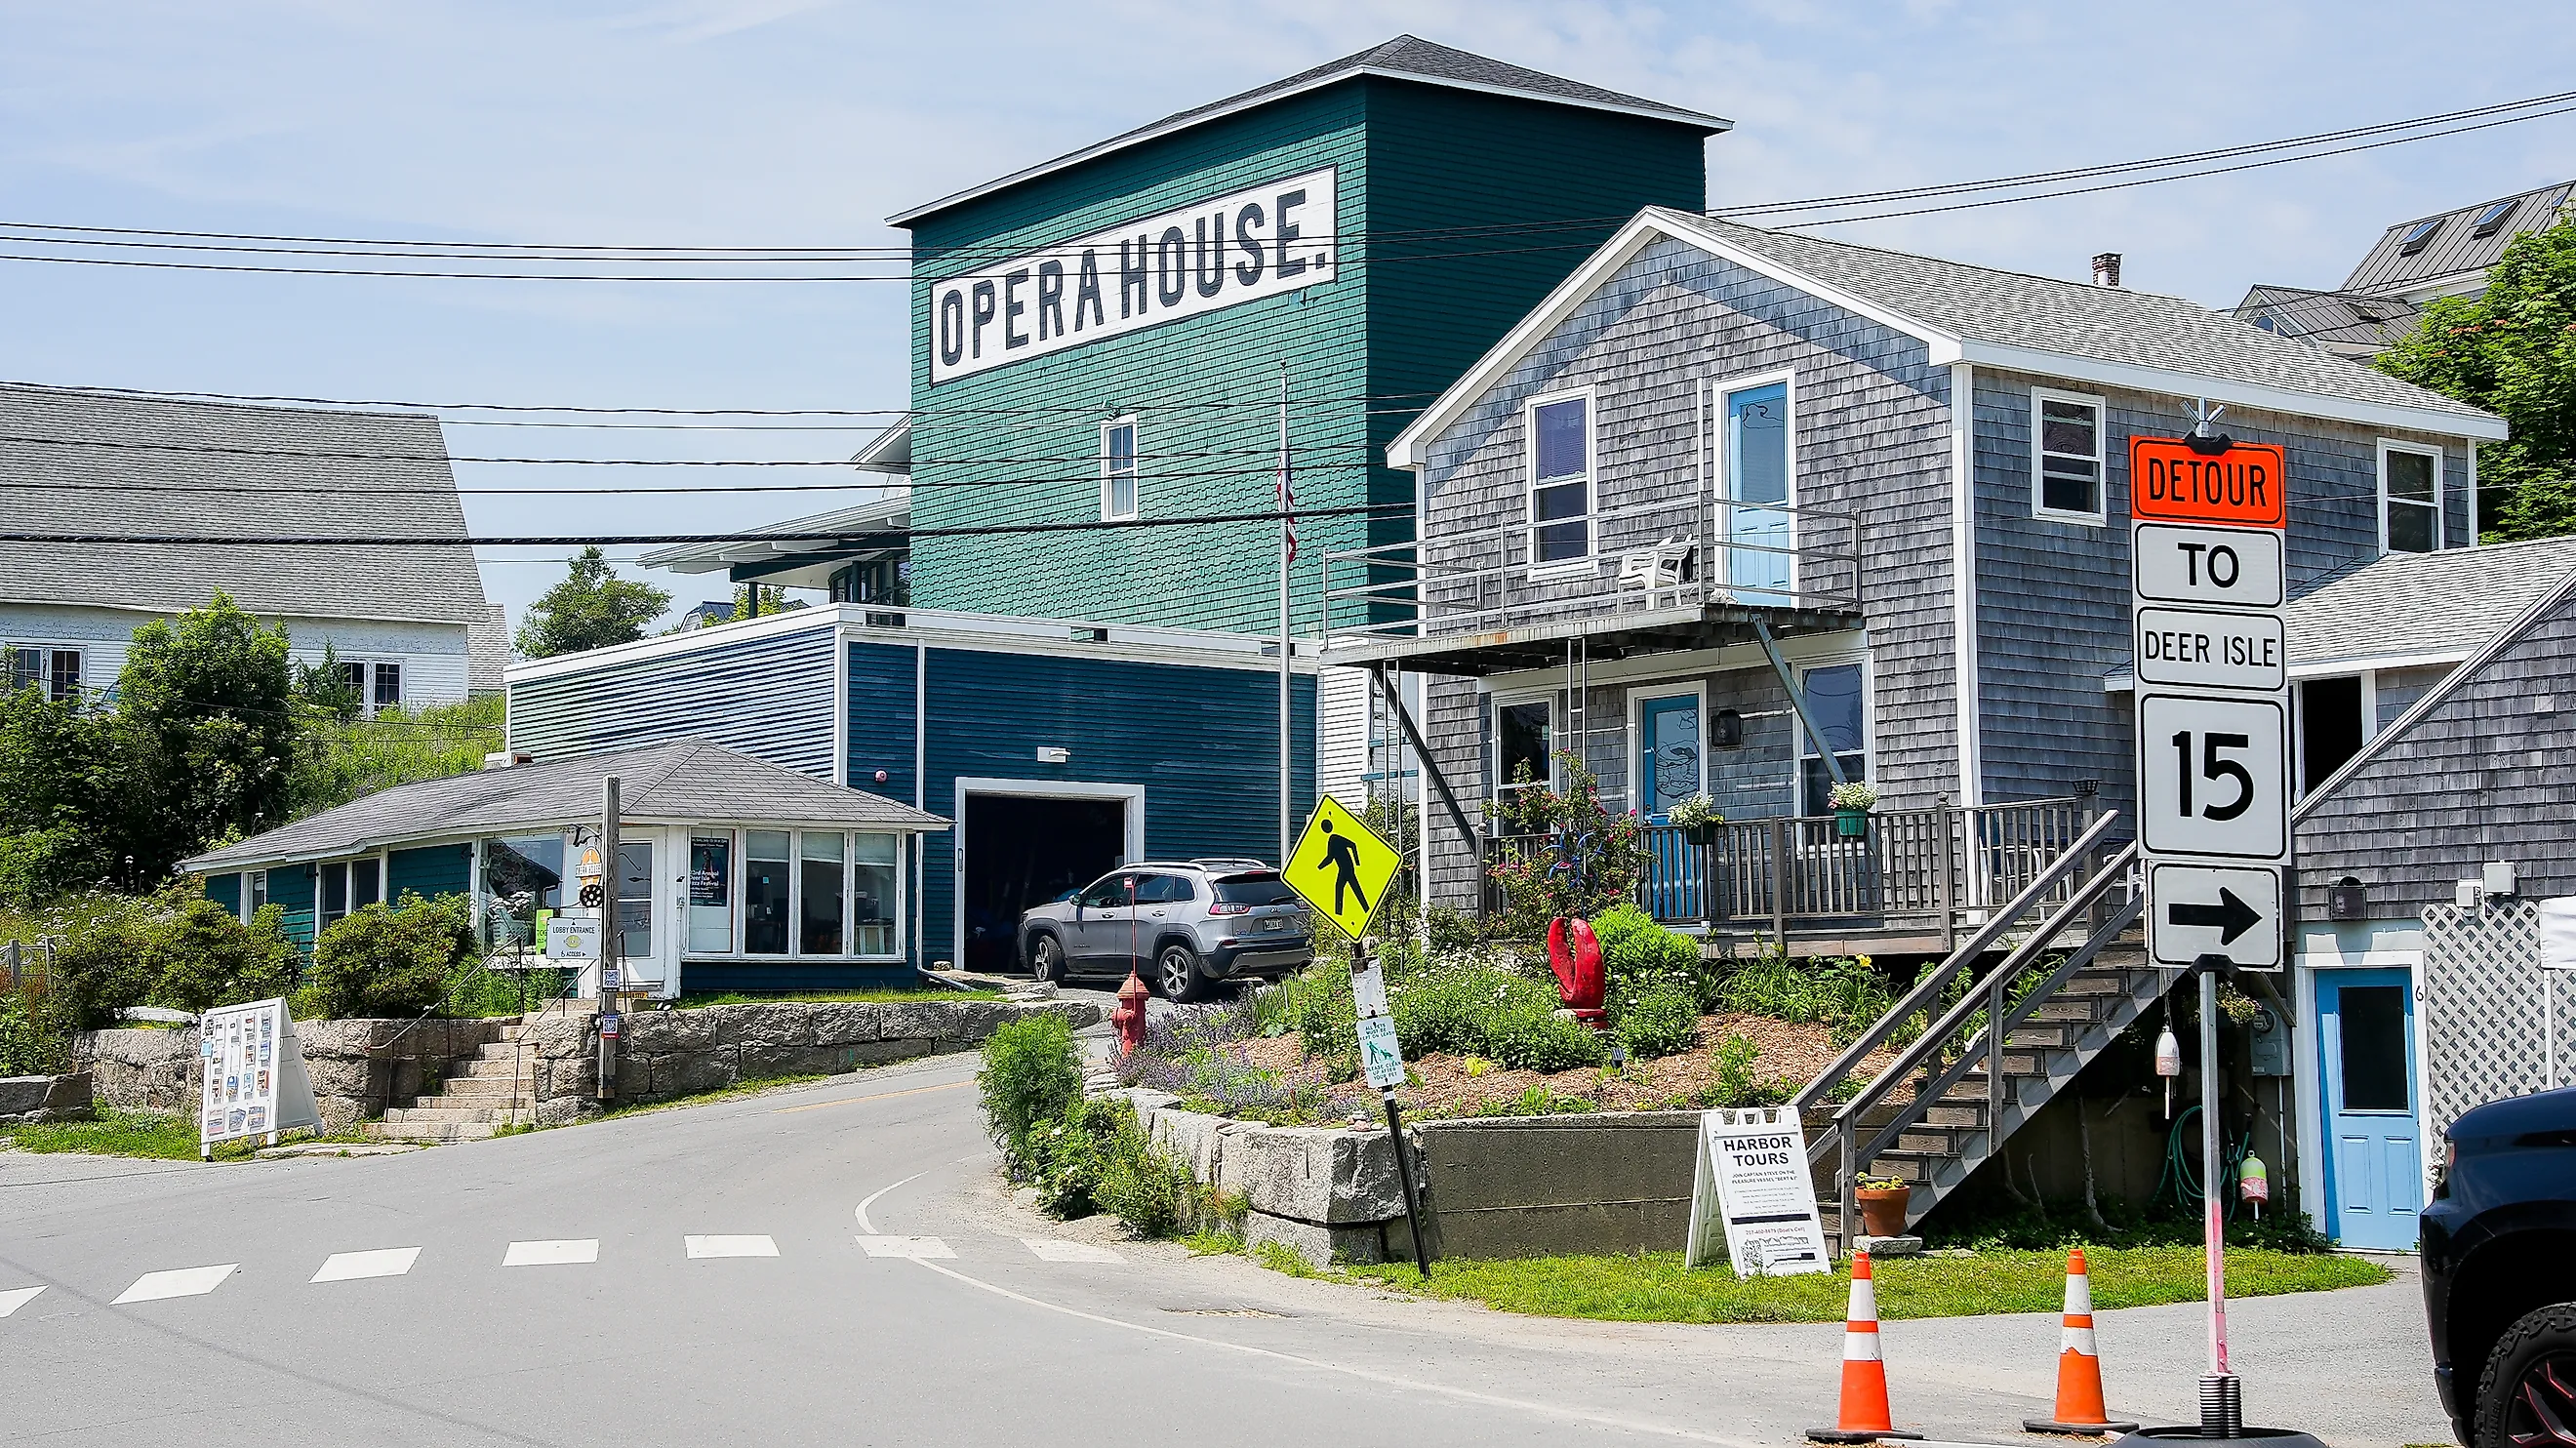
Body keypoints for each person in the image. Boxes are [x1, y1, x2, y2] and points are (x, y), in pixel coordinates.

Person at [1316, 817, 1370, 917]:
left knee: (1348, 888)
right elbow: (1330, 858)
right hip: (1344, 868)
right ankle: (1342, 912)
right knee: (1346, 888)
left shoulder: (1335, 839)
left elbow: (1353, 845)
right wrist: (1319, 867)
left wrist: (1357, 861)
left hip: (1347, 868)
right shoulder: (1332, 839)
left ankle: (1340, 913)